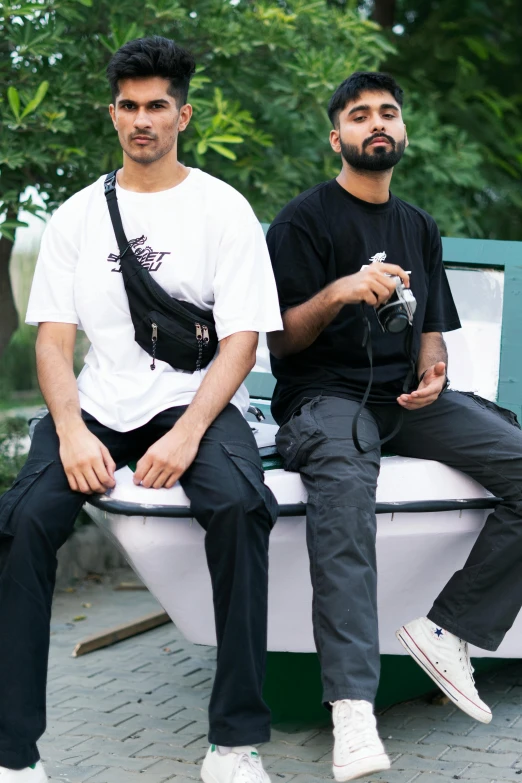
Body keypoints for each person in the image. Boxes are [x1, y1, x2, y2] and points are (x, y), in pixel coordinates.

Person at [0, 36, 283, 783]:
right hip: (98, 405)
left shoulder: (223, 209)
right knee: (22, 524)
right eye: (129, 106)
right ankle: (13, 757)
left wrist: (189, 434)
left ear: (183, 113)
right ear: (113, 113)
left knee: (241, 508)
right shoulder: (75, 217)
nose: (142, 119)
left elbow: (241, 343)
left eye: (157, 105)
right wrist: (69, 433)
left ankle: (233, 742)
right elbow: (55, 345)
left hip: (196, 402)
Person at [266, 71, 522, 782]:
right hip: (325, 397)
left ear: (401, 131)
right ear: (337, 137)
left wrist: (433, 372)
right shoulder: (303, 222)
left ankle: (451, 629)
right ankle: (352, 705)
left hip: (407, 399)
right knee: (345, 508)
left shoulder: (419, 225)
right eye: (359, 115)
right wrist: (344, 289)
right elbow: (280, 342)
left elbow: (433, 334)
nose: (376, 123)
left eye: (387, 113)